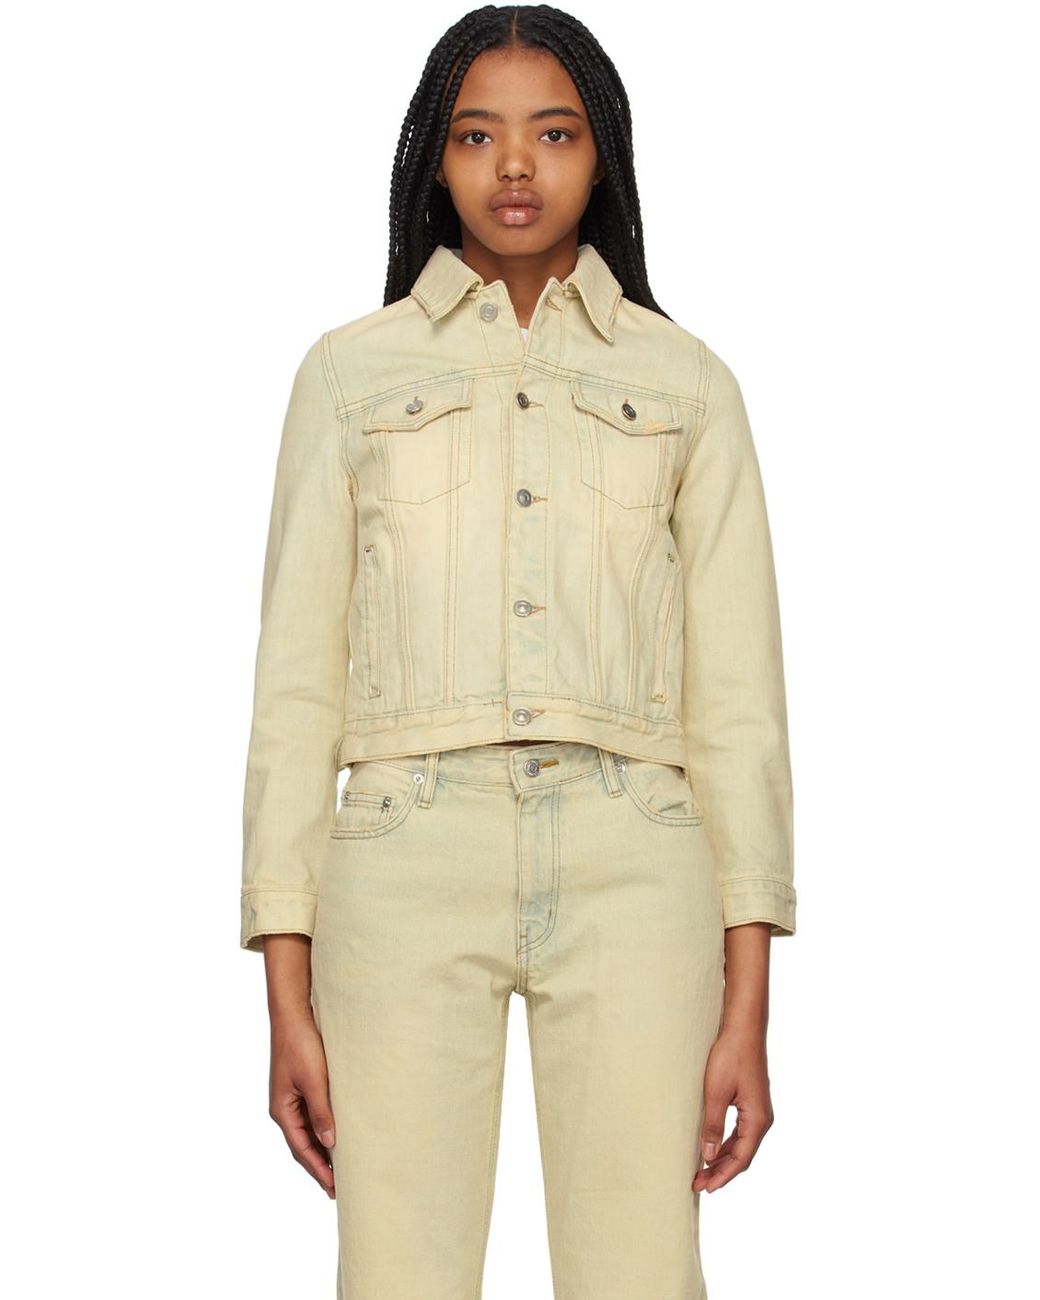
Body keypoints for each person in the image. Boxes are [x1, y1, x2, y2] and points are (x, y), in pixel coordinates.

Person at [239, 5, 796, 1297]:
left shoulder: (689, 384)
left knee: (641, 1275)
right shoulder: (347, 376)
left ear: (604, 158)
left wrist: (748, 1007)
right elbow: (295, 690)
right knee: (399, 1276)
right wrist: (285, 990)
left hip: (637, 856)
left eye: (555, 134)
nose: (514, 167)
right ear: (433, 159)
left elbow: (738, 703)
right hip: (404, 852)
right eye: (476, 134)